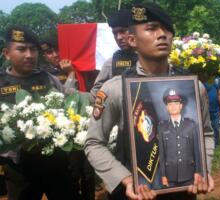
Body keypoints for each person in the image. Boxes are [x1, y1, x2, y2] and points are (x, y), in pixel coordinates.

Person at [85, 3, 214, 200]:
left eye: (167, 30)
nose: (162, 34)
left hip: (182, 191)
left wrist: (203, 170)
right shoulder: (115, 88)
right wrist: (125, 179)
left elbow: (205, 134)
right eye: (152, 28)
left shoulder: (194, 88)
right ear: (132, 40)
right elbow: (94, 143)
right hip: (133, 193)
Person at [1, 25, 73, 200]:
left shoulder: (49, 79)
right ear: (6, 53)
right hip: (19, 165)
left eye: (33, 49)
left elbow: (69, 105)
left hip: (55, 161)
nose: (29, 55)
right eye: (21, 49)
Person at [40, 37, 95, 200]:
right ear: (44, 56)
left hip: (85, 128)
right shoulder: (44, 75)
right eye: (49, 52)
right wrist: (70, 74)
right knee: (71, 174)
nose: (55, 55)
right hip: (64, 133)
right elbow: (62, 98)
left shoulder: (82, 67)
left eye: (58, 50)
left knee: (88, 173)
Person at [158, 88, 200, 188]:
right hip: (170, 175)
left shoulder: (191, 125)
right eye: (170, 104)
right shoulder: (161, 127)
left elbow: (196, 151)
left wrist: (197, 171)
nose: (173, 107)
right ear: (167, 107)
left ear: (181, 106)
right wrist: (163, 175)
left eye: (176, 103)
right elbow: (161, 153)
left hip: (188, 173)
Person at [90, 9, 137, 98]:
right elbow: (96, 94)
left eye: (123, 31)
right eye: (115, 33)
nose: (119, 37)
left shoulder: (150, 56)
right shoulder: (111, 63)